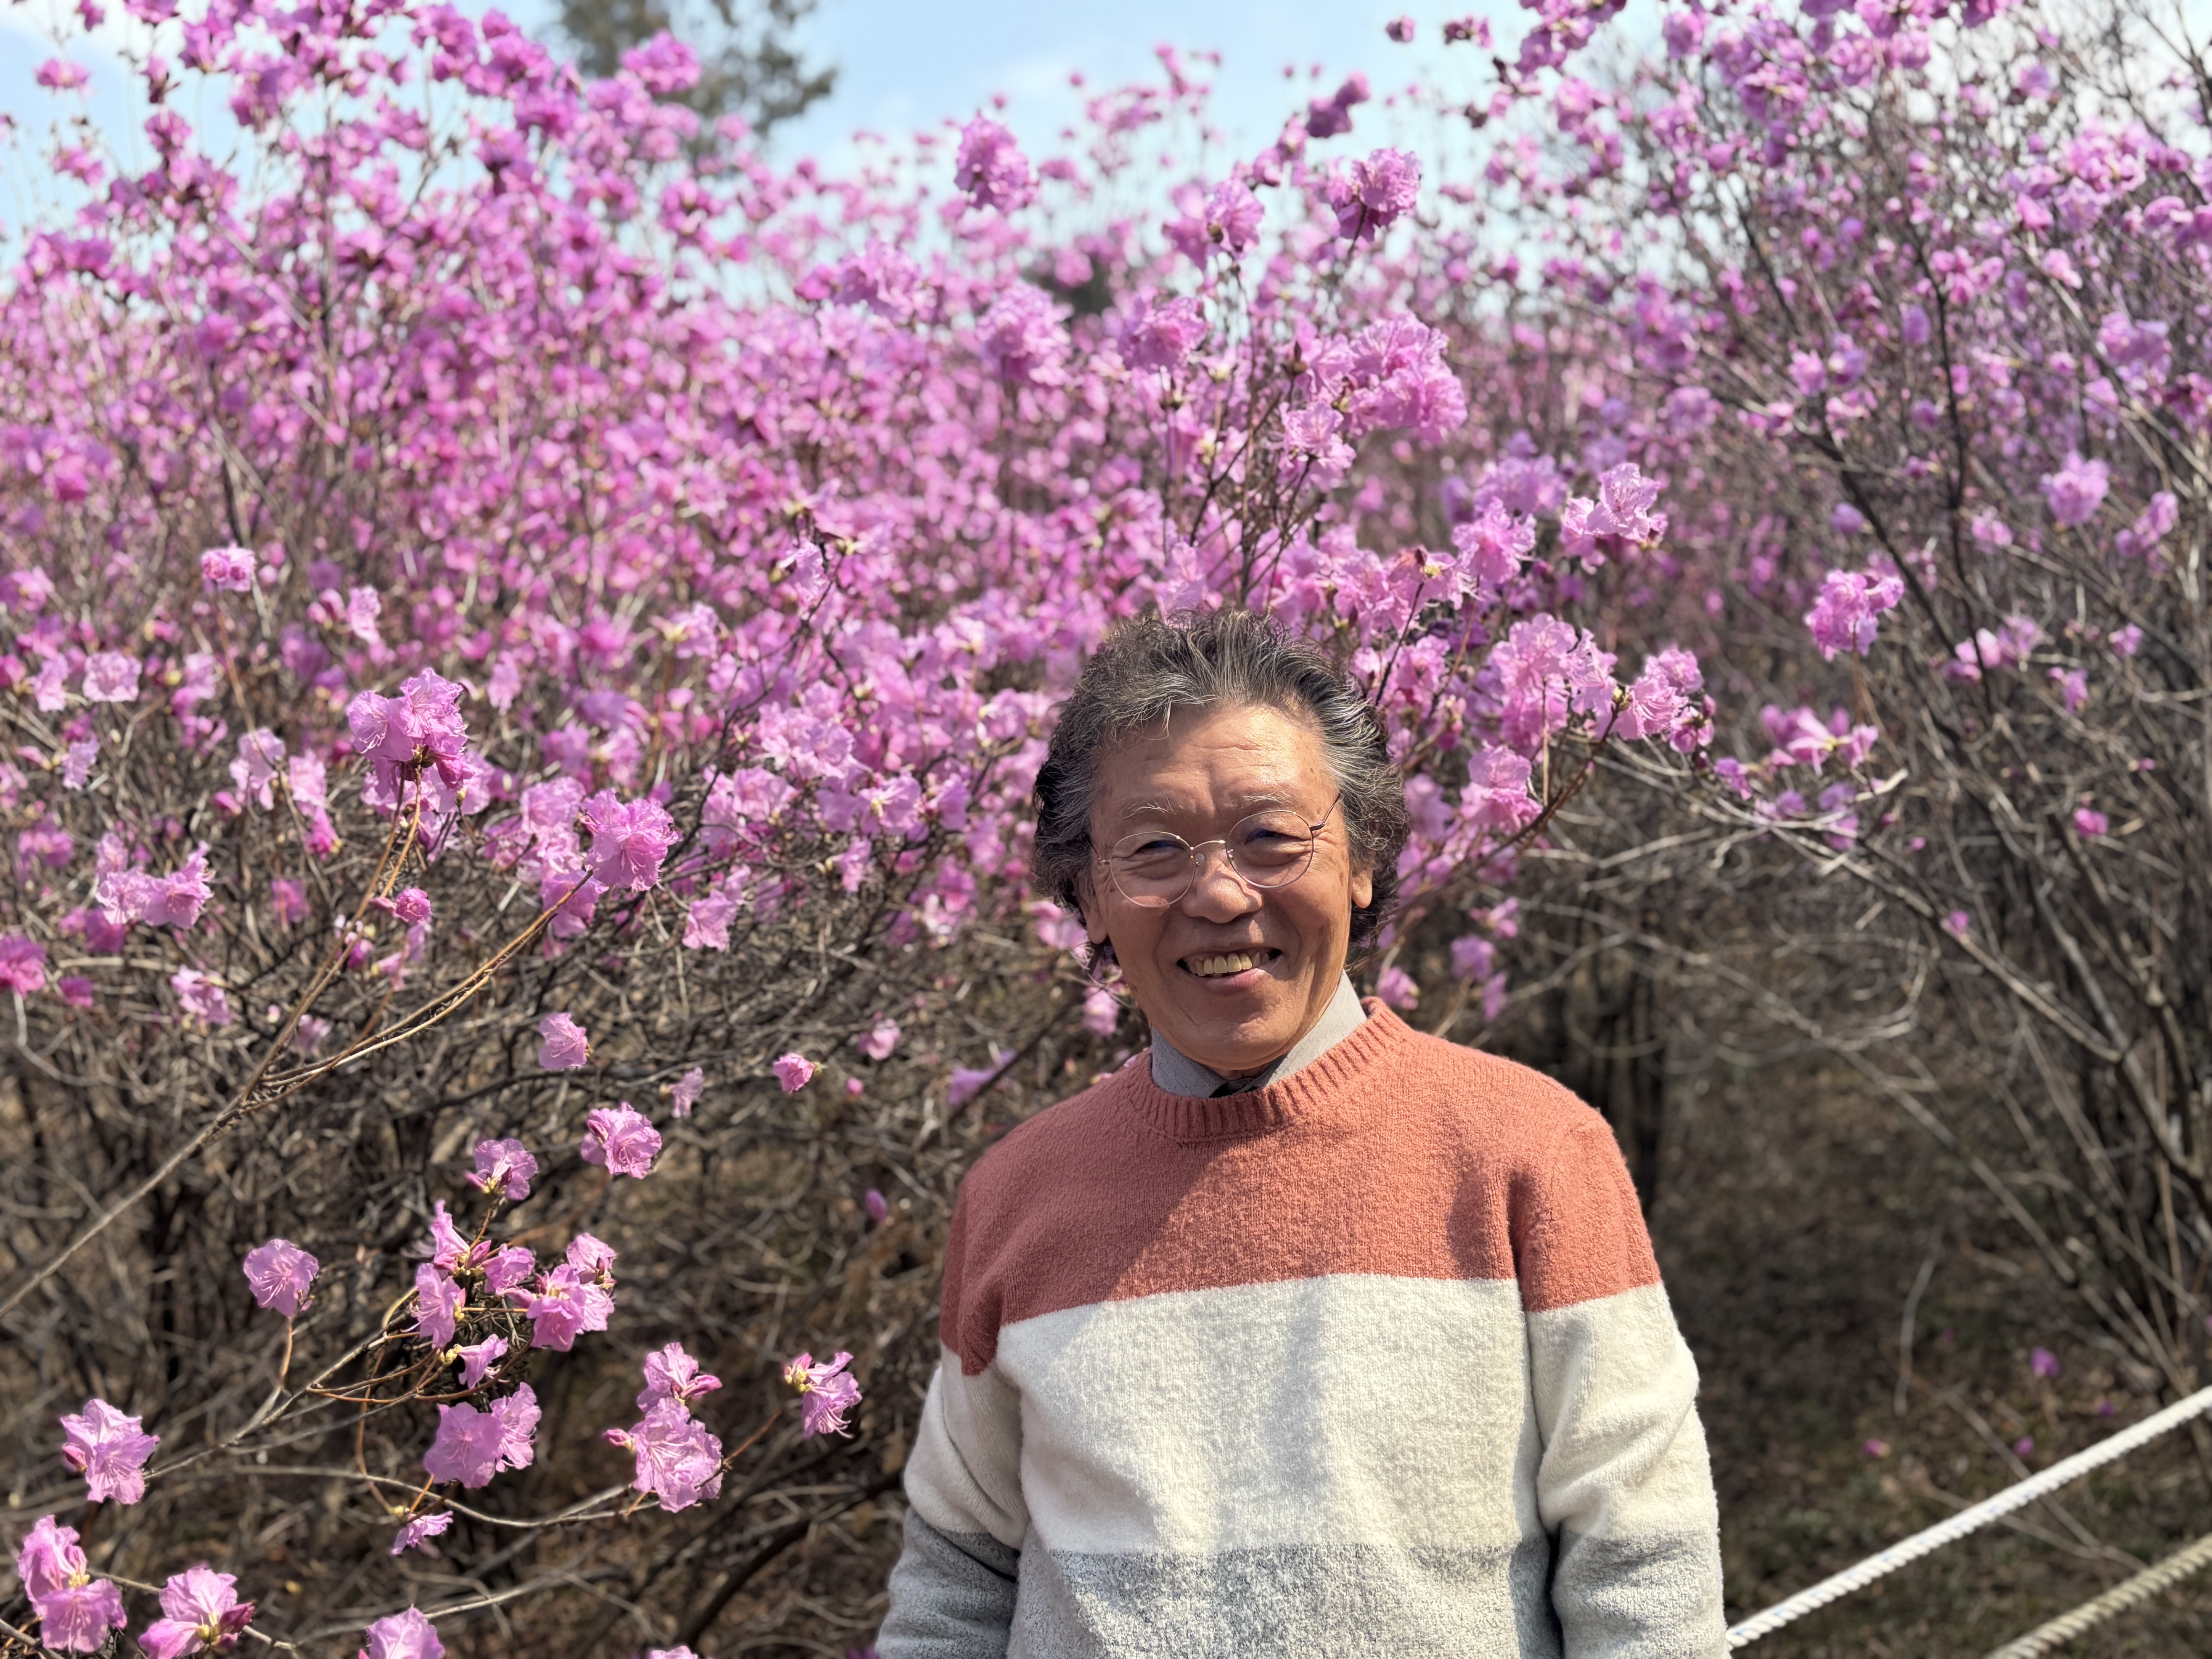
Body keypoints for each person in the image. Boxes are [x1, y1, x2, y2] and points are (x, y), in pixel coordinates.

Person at [877, 609, 1727, 1657]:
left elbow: (1644, 1567)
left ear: (1361, 859)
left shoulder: (1532, 1152)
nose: (1219, 893)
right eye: (1154, 849)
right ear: (1089, 895)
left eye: (1272, 837)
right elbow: (956, 1580)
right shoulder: (1017, 1195)